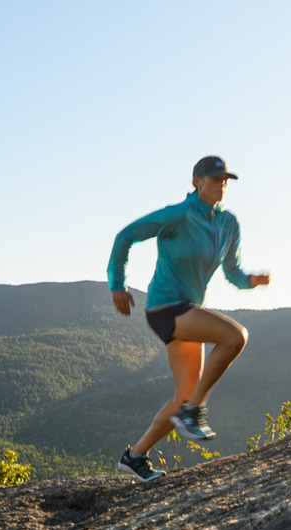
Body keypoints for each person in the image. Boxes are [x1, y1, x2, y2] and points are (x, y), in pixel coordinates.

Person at [107, 155, 272, 482]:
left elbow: (232, 272)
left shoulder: (228, 224)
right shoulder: (178, 215)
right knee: (235, 336)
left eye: (225, 179)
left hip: (188, 309)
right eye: (214, 178)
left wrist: (250, 280)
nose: (221, 184)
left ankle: (134, 456)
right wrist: (117, 285)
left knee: (183, 394)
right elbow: (125, 235)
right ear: (196, 181)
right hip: (165, 306)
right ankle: (194, 410)